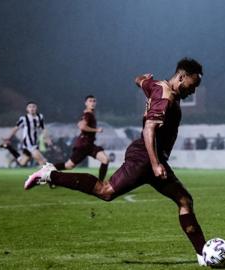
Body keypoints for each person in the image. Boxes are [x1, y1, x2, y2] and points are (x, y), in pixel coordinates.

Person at [24, 58, 207, 265]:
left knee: (184, 201)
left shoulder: (156, 86)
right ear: (182, 77)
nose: (194, 91)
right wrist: (155, 164)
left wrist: (142, 79)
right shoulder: (165, 97)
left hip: (153, 158)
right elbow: (149, 129)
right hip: (145, 158)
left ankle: (203, 254)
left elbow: (139, 80)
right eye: (194, 84)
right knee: (106, 191)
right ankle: (49, 174)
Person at [53, 95, 110, 180]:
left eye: (94, 101)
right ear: (85, 103)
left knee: (105, 160)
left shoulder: (88, 114)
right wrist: (96, 130)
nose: (92, 103)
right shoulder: (88, 114)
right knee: (69, 166)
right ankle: (47, 169)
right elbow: (82, 127)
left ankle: (100, 183)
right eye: (90, 101)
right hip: (83, 145)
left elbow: (80, 124)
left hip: (89, 145)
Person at [0, 101, 50, 166]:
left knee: (22, 163)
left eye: (33, 107)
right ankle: (44, 175)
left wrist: (47, 138)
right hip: (29, 144)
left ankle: (9, 148)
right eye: (30, 107)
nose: (32, 108)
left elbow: (43, 128)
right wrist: (8, 137)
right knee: (42, 161)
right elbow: (16, 128)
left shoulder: (40, 117)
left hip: (34, 143)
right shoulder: (24, 119)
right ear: (27, 109)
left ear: (36, 108)